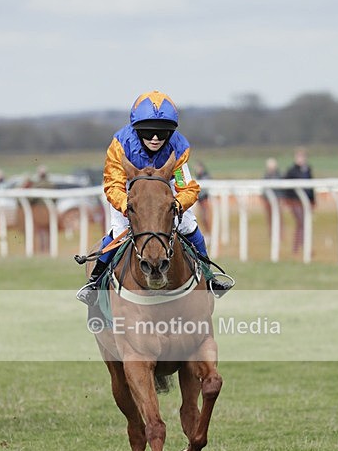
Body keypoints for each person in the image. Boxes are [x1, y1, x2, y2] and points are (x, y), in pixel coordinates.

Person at [77, 90, 233, 306]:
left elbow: (186, 187)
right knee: (118, 230)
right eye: (148, 132)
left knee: (189, 224)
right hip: (130, 189)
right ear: (136, 129)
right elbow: (113, 184)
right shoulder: (121, 144)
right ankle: (95, 283)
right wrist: (128, 206)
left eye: (162, 133)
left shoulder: (178, 147)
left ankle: (209, 278)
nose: (155, 138)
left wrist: (177, 205)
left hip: (165, 186)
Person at [284, 146, 314, 255]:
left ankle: (302, 247)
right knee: (302, 223)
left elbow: (311, 187)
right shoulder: (292, 171)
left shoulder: (308, 169)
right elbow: (286, 186)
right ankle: (298, 247)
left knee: (304, 224)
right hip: (295, 202)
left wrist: (313, 200)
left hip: (306, 202)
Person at [262, 157, 282, 239]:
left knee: (279, 218)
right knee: (270, 218)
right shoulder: (266, 176)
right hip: (268, 200)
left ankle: (279, 235)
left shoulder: (279, 175)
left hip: (277, 199)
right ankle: (272, 234)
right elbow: (264, 189)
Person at [193, 160, 212, 237]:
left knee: (206, 216)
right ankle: (207, 233)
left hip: (205, 199)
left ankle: (209, 233)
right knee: (202, 217)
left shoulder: (205, 177)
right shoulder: (198, 177)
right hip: (200, 200)